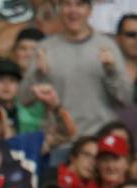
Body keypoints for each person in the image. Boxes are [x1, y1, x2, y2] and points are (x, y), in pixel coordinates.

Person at [21, 0, 129, 138]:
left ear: (90, 10)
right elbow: (24, 99)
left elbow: (126, 99)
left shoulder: (107, 46)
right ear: (59, 10)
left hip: (102, 141)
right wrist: (37, 74)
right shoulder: (44, 48)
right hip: (61, 141)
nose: (73, 11)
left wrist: (111, 71)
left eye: (80, 4)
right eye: (67, 4)